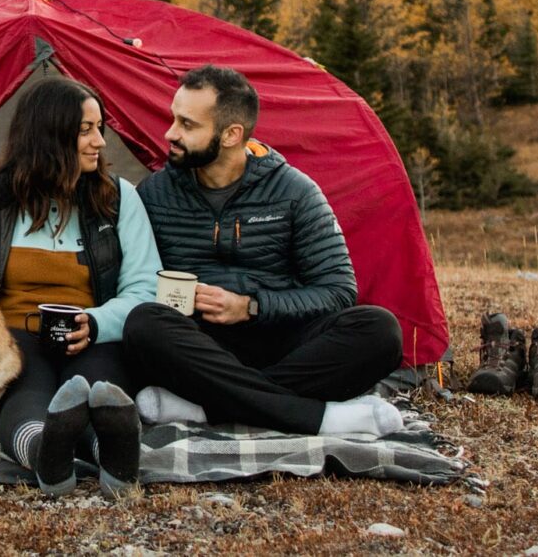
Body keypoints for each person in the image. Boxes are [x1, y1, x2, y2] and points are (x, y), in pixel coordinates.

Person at [123, 64, 406, 437]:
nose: (170, 133)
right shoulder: (155, 194)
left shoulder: (295, 192)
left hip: (281, 340)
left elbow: (337, 291)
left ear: (231, 134)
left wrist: (250, 307)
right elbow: (135, 281)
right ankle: (317, 417)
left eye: (187, 125)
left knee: (380, 330)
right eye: (174, 118)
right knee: (144, 323)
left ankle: (207, 408)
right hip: (200, 347)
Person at [0, 75, 164, 495]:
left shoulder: (118, 198)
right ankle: (43, 454)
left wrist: (97, 322)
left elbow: (145, 288)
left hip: (93, 336)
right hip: (11, 339)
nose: (100, 142)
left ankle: (114, 453)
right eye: (85, 130)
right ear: (50, 136)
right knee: (27, 394)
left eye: (100, 128)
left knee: (99, 391)